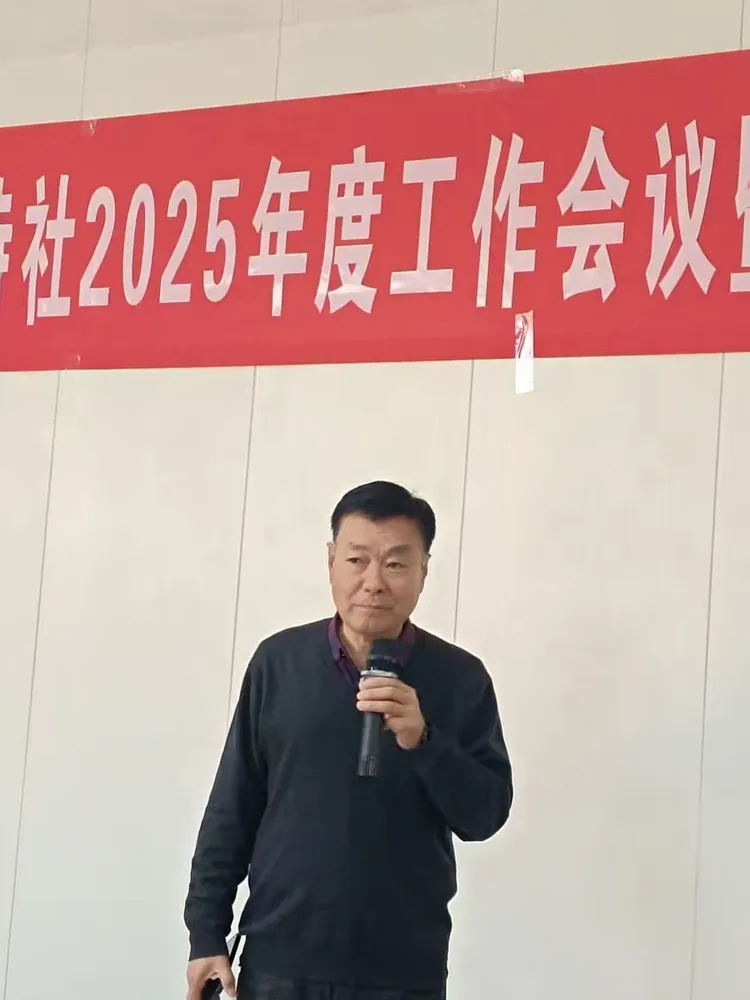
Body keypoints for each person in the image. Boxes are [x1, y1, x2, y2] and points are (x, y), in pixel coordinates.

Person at [184, 481, 513, 1000]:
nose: (374, 582)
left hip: (403, 970)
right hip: (280, 961)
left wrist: (425, 741)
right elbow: (233, 806)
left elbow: (485, 816)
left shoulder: (461, 679)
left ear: (424, 571)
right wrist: (206, 933)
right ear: (331, 561)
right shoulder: (278, 663)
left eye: (396, 564)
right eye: (358, 560)